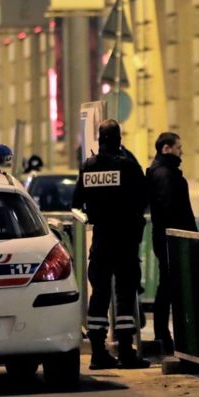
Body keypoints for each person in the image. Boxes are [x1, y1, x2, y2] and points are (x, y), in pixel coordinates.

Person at [71, 119, 151, 369]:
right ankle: (126, 352)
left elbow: (76, 203)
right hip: (125, 240)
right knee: (125, 294)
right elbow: (143, 197)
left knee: (99, 295)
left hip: (101, 240)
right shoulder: (127, 165)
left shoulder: (89, 167)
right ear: (119, 139)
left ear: (99, 139)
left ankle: (98, 353)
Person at [145, 132, 196, 355]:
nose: (181, 151)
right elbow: (170, 209)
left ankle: (163, 334)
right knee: (169, 285)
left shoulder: (163, 171)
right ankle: (164, 335)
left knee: (168, 284)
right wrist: (181, 236)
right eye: (178, 147)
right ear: (166, 148)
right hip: (171, 238)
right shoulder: (164, 174)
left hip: (167, 236)